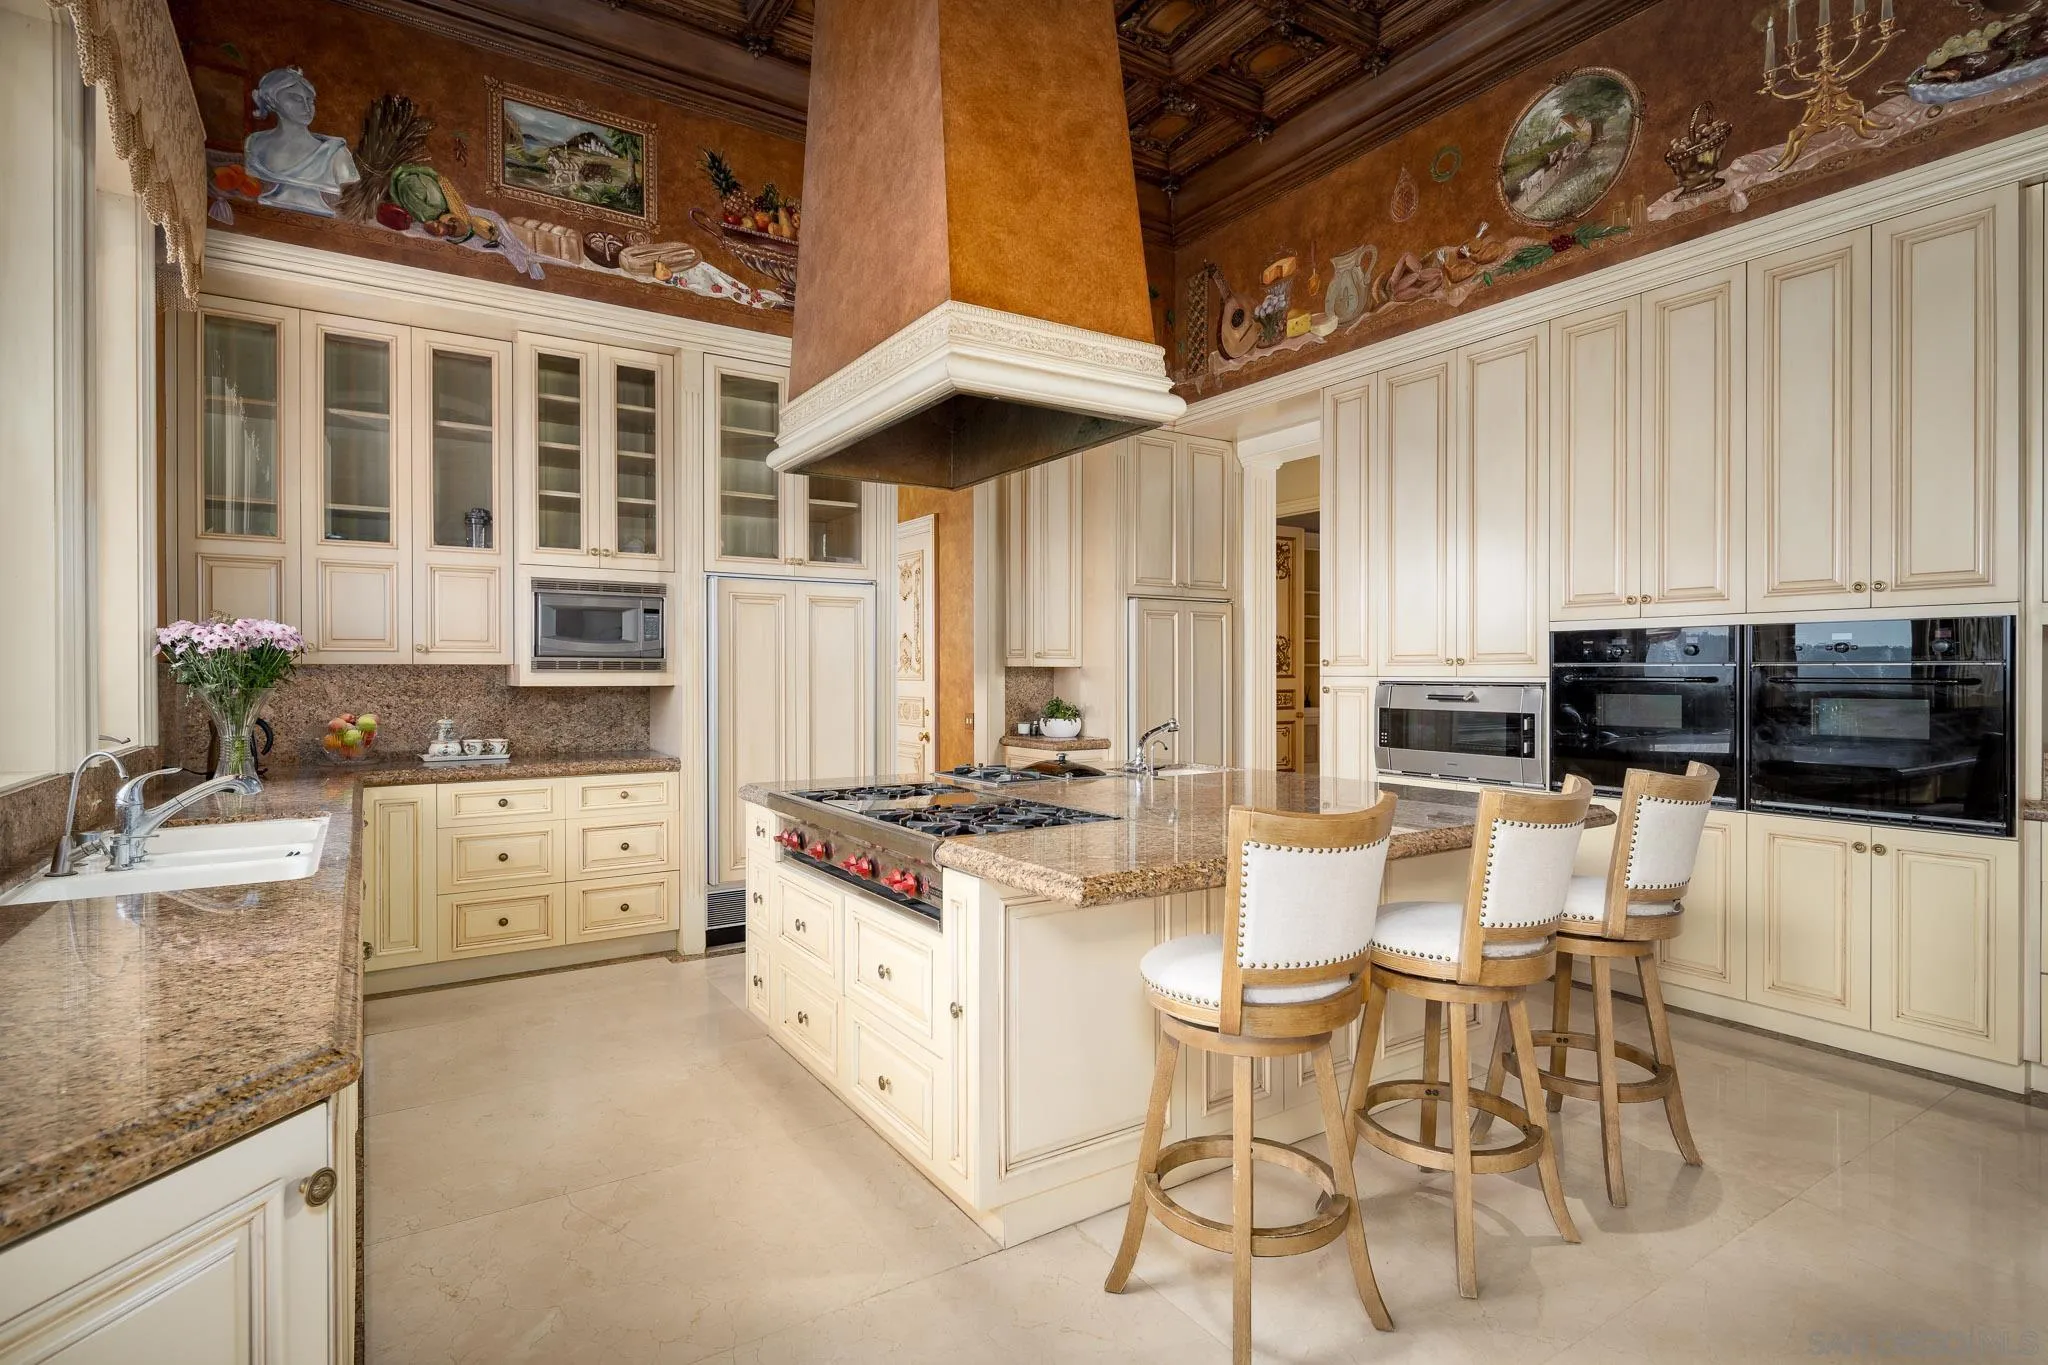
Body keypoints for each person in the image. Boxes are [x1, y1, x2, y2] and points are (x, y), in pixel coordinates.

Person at [243, 68, 359, 217]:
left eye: (310, 100)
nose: (306, 107)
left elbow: (350, 186)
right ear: (272, 100)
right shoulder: (255, 144)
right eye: (296, 99)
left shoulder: (336, 153)